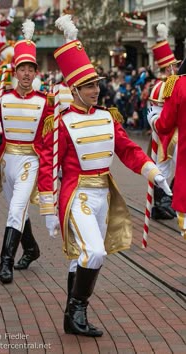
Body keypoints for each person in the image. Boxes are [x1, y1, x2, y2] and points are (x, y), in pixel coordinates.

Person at [39, 14, 172, 338]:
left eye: (96, 84)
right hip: (76, 195)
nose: (96, 90)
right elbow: (47, 163)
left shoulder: (107, 117)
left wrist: (152, 171)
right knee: (95, 252)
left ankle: (72, 319)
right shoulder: (62, 122)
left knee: (80, 257)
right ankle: (78, 309)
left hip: (103, 194)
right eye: (88, 86)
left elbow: (127, 150)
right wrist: (48, 209)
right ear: (75, 88)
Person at [0, 19, 55, 284]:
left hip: (29, 162)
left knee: (17, 209)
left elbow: (49, 138)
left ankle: (5, 263)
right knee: (17, 210)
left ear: (35, 73)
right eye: (22, 68)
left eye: (30, 69)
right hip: (6, 161)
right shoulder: (2, 99)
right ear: (15, 71)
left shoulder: (45, 103)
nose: (25, 73)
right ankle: (31, 249)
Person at [147, 58, 186, 240]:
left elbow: (164, 123)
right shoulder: (167, 85)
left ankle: (165, 201)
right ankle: (162, 201)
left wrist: (153, 120)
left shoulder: (177, 85)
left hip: (175, 136)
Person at [148, 23, 180, 220]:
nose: (176, 68)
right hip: (168, 134)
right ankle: (162, 202)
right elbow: (154, 114)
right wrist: (160, 126)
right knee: (163, 169)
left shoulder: (174, 83)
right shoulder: (162, 86)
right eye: (174, 65)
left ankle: (169, 199)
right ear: (168, 67)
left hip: (175, 132)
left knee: (167, 168)